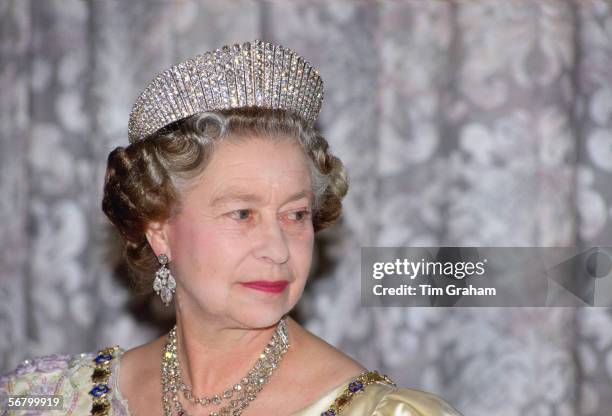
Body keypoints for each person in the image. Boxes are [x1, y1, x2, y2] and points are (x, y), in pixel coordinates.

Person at [0, 40, 463, 416]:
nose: (278, 250)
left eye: (295, 214)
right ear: (159, 227)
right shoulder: (53, 400)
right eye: (242, 214)